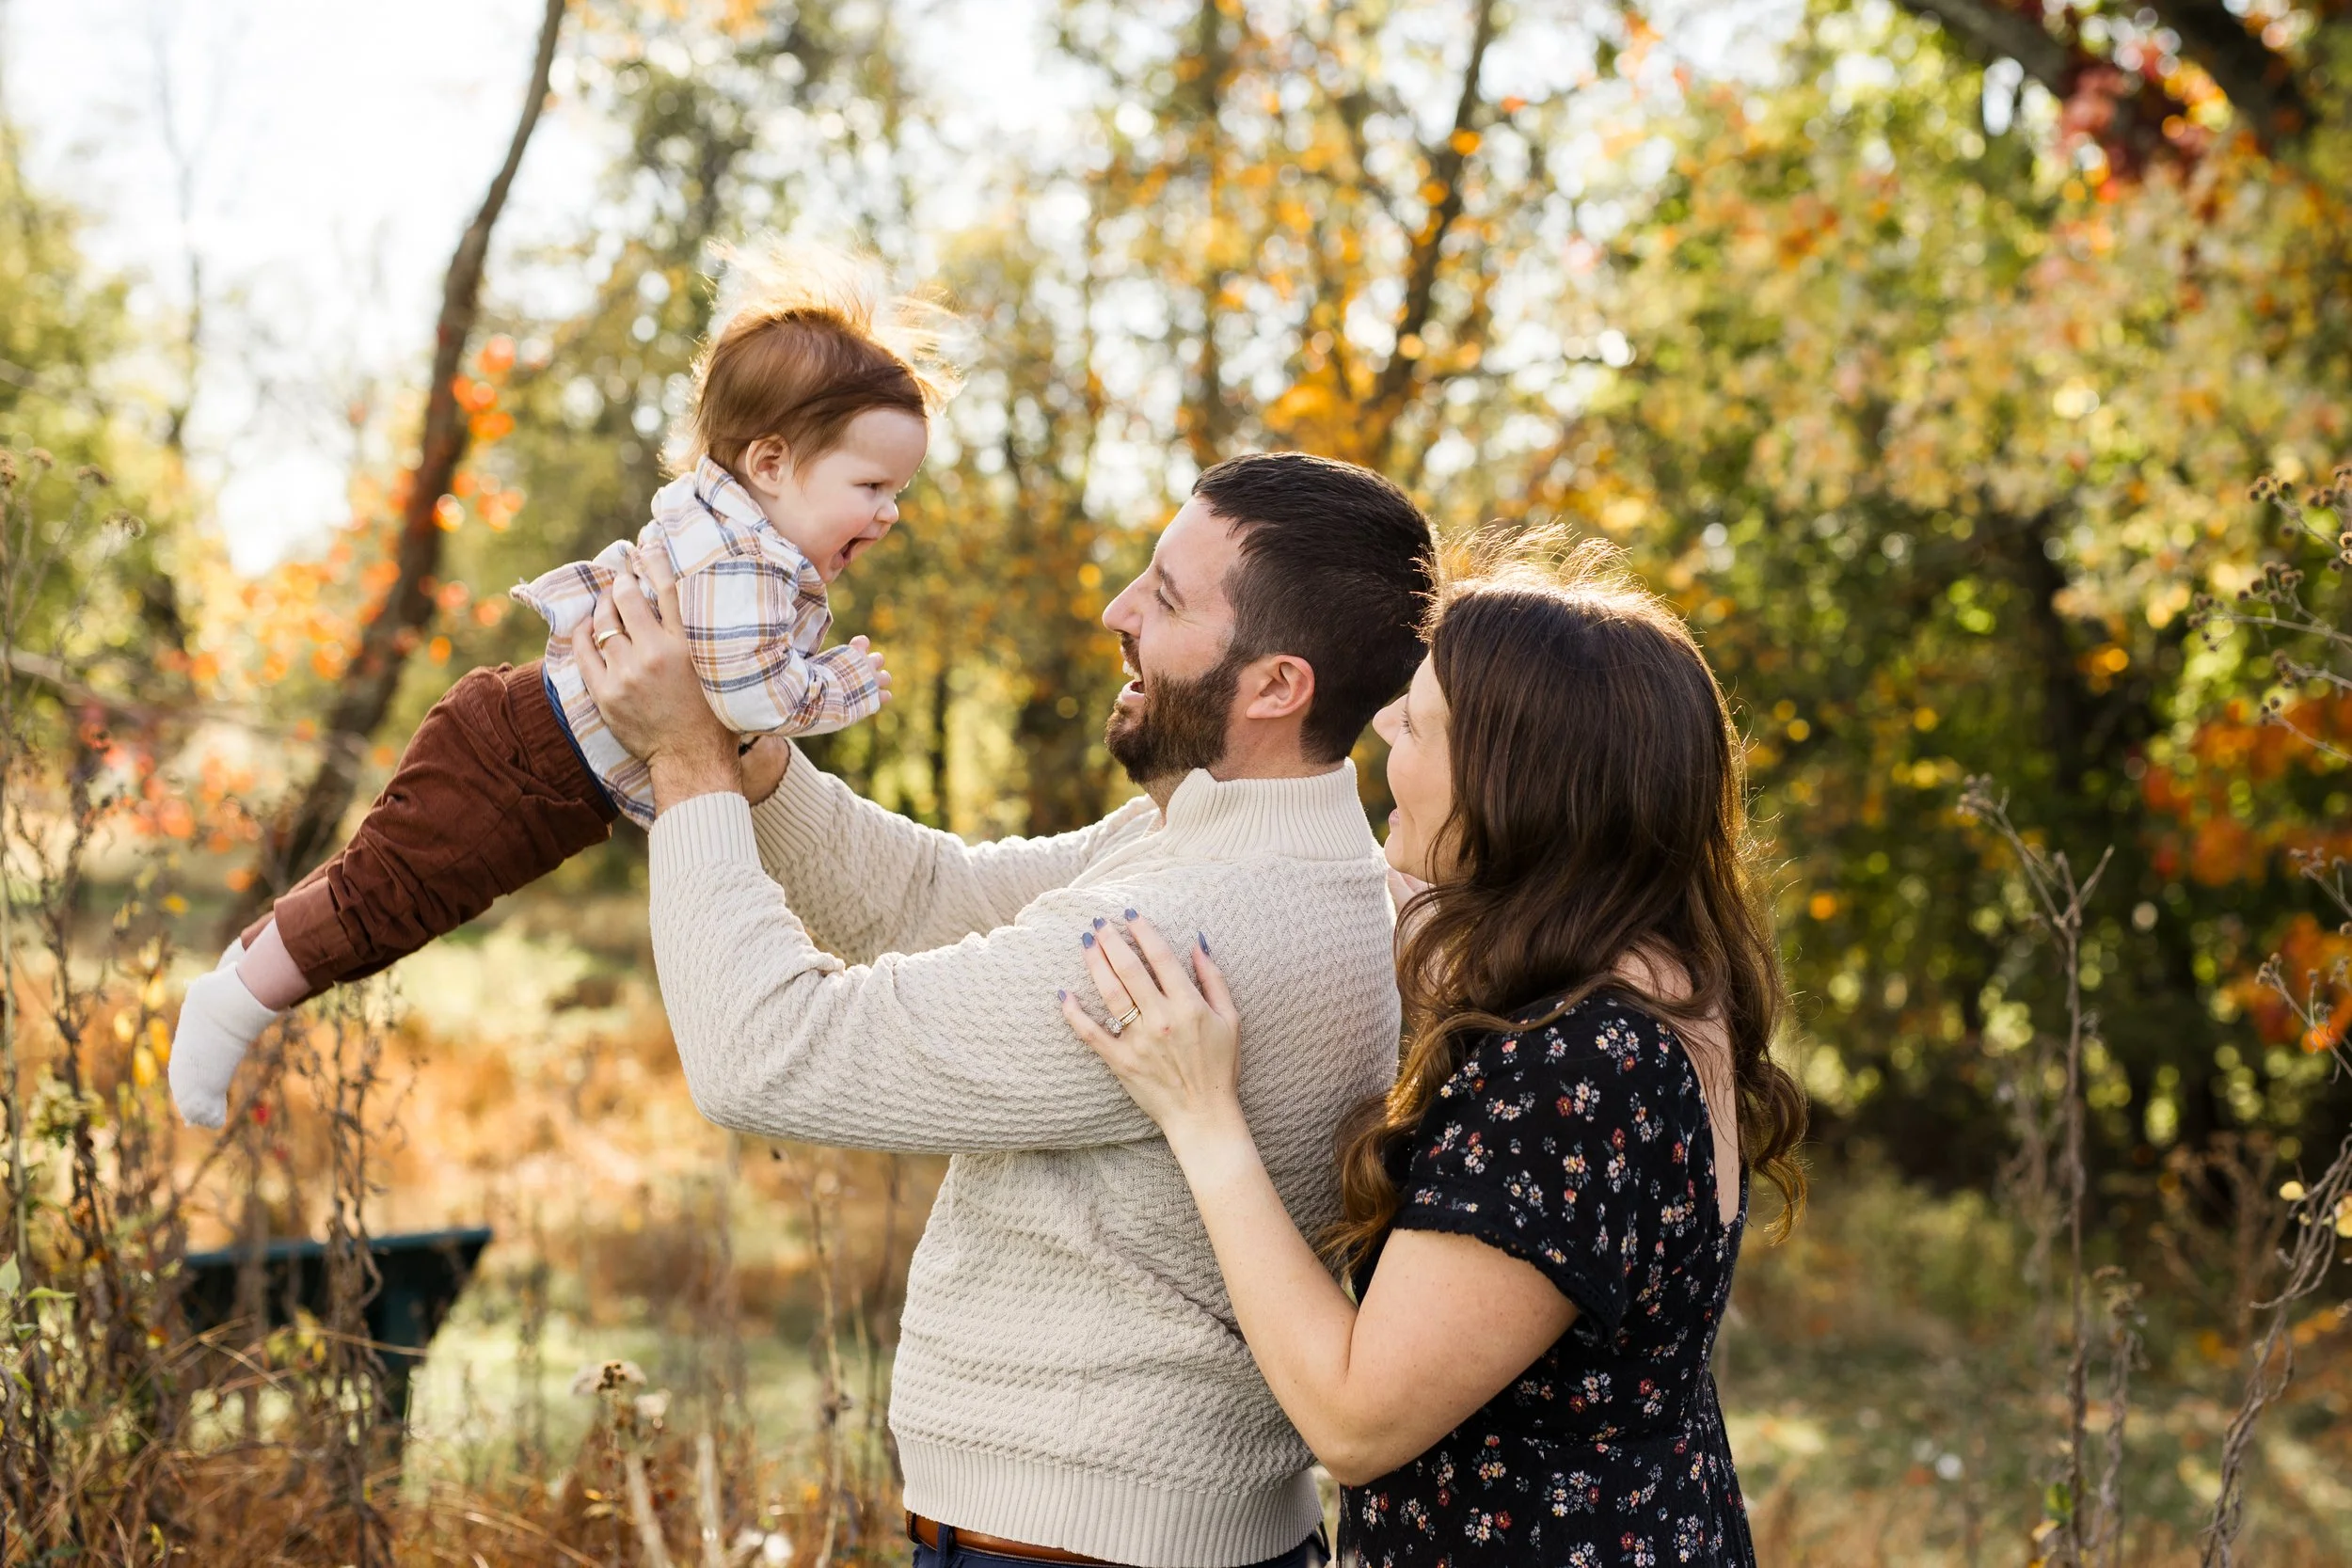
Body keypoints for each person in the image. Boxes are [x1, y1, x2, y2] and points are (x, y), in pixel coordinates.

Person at [576, 451, 1438, 1568]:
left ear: (1277, 684)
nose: (1115, 610)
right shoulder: (1242, 845)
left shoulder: (1190, 920)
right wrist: (747, 758)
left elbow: (768, 1050)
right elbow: (933, 897)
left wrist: (686, 765)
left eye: (1165, 599)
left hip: (1077, 1544)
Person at [1059, 549, 1807, 1567]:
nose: (1379, 730)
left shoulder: (1571, 1066)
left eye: (1415, 723)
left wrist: (1202, 1115)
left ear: (1516, 783)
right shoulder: (1653, 979)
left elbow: (1356, 1421)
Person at [168, 241, 949, 1129]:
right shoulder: (752, 568)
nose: (890, 512)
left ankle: (243, 975)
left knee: (384, 883)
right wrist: (838, 686)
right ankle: (231, 1004)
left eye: (899, 489)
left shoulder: (729, 525)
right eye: (873, 484)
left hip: (524, 740)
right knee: (393, 895)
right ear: (770, 466)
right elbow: (748, 696)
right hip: (529, 764)